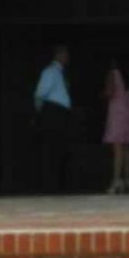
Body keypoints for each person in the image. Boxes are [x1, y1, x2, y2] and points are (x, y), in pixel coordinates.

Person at [33, 44, 75, 193]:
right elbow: (40, 93)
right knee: (52, 150)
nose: (67, 58)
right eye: (65, 54)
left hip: (61, 114)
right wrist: (42, 114)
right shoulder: (50, 72)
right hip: (52, 112)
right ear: (59, 55)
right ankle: (50, 187)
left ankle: (59, 186)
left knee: (60, 149)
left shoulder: (61, 73)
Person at [102, 61, 129, 194]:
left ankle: (116, 180)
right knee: (127, 148)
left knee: (117, 149)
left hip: (117, 113)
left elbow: (109, 92)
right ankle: (127, 179)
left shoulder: (113, 74)